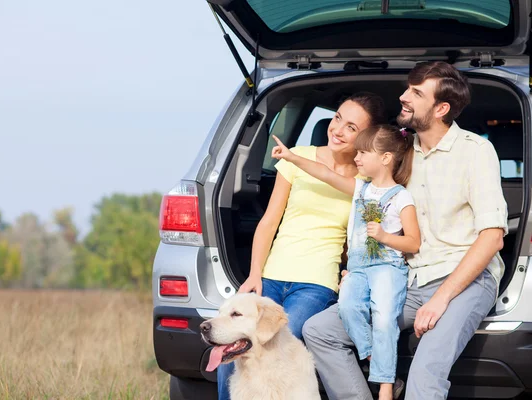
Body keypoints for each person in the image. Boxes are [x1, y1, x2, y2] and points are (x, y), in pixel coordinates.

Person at [302, 61, 508, 400]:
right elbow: (368, 206)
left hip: (464, 280)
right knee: (320, 331)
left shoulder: (476, 151)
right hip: (405, 278)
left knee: (424, 378)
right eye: (407, 89)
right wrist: (356, 272)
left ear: (441, 108)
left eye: (415, 93)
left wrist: (440, 300)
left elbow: (492, 237)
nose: (403, 97)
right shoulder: (397, 152)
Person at [216, 92, 387, 400]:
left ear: (367, 137)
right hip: (271, 275)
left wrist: (354, 274)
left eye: (351, 127)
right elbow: (268, 222)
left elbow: (366, 237)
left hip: (316, 284)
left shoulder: (367, 179)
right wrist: (255, 274)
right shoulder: (297, 155)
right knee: (234, 344)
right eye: (337, 118)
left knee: (280, 343)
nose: (337, 130)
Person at [271, 124, 420, 400]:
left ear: (385, 158)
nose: (356, 158)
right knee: (349, 308)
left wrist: (385, 236)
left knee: (385, 318)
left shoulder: (401, 196)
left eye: (363, 152)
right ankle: (376, 358)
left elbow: (413, 242)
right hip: (359, 268)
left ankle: (385, 388)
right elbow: (324, 173)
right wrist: (292, 158)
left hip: (387, 265)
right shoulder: (360, 189)